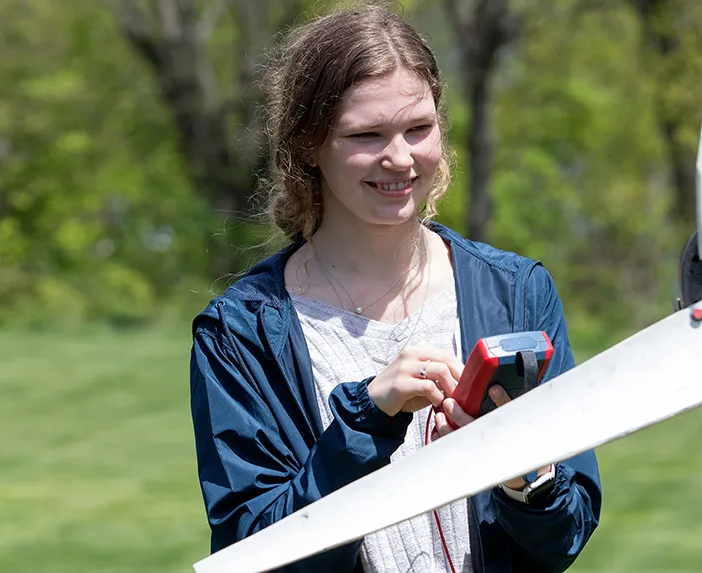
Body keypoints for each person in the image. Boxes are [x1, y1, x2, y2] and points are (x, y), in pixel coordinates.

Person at [189, 4, 602, 572]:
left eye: (419, 128)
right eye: (366, 134)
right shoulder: (242, 333)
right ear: (308, 144)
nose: (400, 158)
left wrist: (523, 476)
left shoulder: (517, 293)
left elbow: (566, 535)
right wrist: (366, 421)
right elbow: (253, 552)